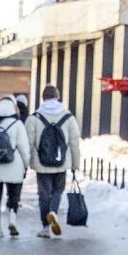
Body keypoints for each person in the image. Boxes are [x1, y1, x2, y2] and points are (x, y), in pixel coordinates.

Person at [28, 84, 83, 237]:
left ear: (43, 98)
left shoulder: (34, 117)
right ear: (57, 97)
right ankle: (53, 212)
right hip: (61, 162)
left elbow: (29, 143)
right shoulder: (68, 117)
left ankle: (46, 227)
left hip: (42, 163)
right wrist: (75, 164)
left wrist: (28, 163)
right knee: (57, 192)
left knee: (44, 194)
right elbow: (74, 142)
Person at [0, 97, 31, 236]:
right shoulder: (18, 125)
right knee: (13, 194)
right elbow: (24, 147)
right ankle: (12, 219)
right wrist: (26, 163)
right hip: (14, 163)